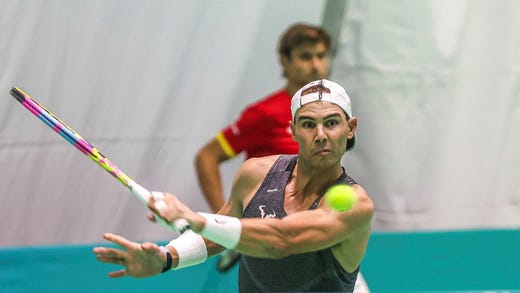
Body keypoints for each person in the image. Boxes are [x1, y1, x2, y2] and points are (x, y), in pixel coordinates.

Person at [93, 79, 375, 292]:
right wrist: (168, 257)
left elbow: (282, 240)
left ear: (350, 127)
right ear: (293, 130)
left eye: (332, 123)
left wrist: (197, 219)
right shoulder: (256, 173)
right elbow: (221, 233)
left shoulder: (356, 205)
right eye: (309, 124)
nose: (321, 135)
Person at [194, 22, 331, 271]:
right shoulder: (263, 114)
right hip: (271, 244)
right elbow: (207, 156)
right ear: (284, 61)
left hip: (320, 236)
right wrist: (224, 222)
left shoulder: (333, 116)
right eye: (305, 57)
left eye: (321, 56)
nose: (315, 65)